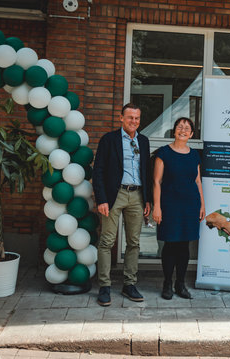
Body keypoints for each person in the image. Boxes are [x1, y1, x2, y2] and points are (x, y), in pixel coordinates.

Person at [92, 103, 152, 307]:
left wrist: (148, 200)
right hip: (114, 195)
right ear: (121, 118)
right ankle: (105, 287)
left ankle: (129, 284)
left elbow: (147, 171)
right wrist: (101, 199)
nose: (133, 121)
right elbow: (98, 170)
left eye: (137, 118)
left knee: (134, 242)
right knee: (107, 241)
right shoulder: (109, 140)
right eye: (130, 118)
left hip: (137, 195)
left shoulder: (143, 141)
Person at [152, 117, 205, 300]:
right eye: (180, 127)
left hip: (190, 205)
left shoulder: (194, 155)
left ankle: (180, 284)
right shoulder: (163, 153)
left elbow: (197, 181)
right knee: (170, 245)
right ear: (174, 131)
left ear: (191, 134)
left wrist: (202, 205)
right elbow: (157, 182)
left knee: (184, 246)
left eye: (187, 128)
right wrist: (157, 207)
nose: (183, 130)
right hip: (169, 205)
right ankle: (167, 283)